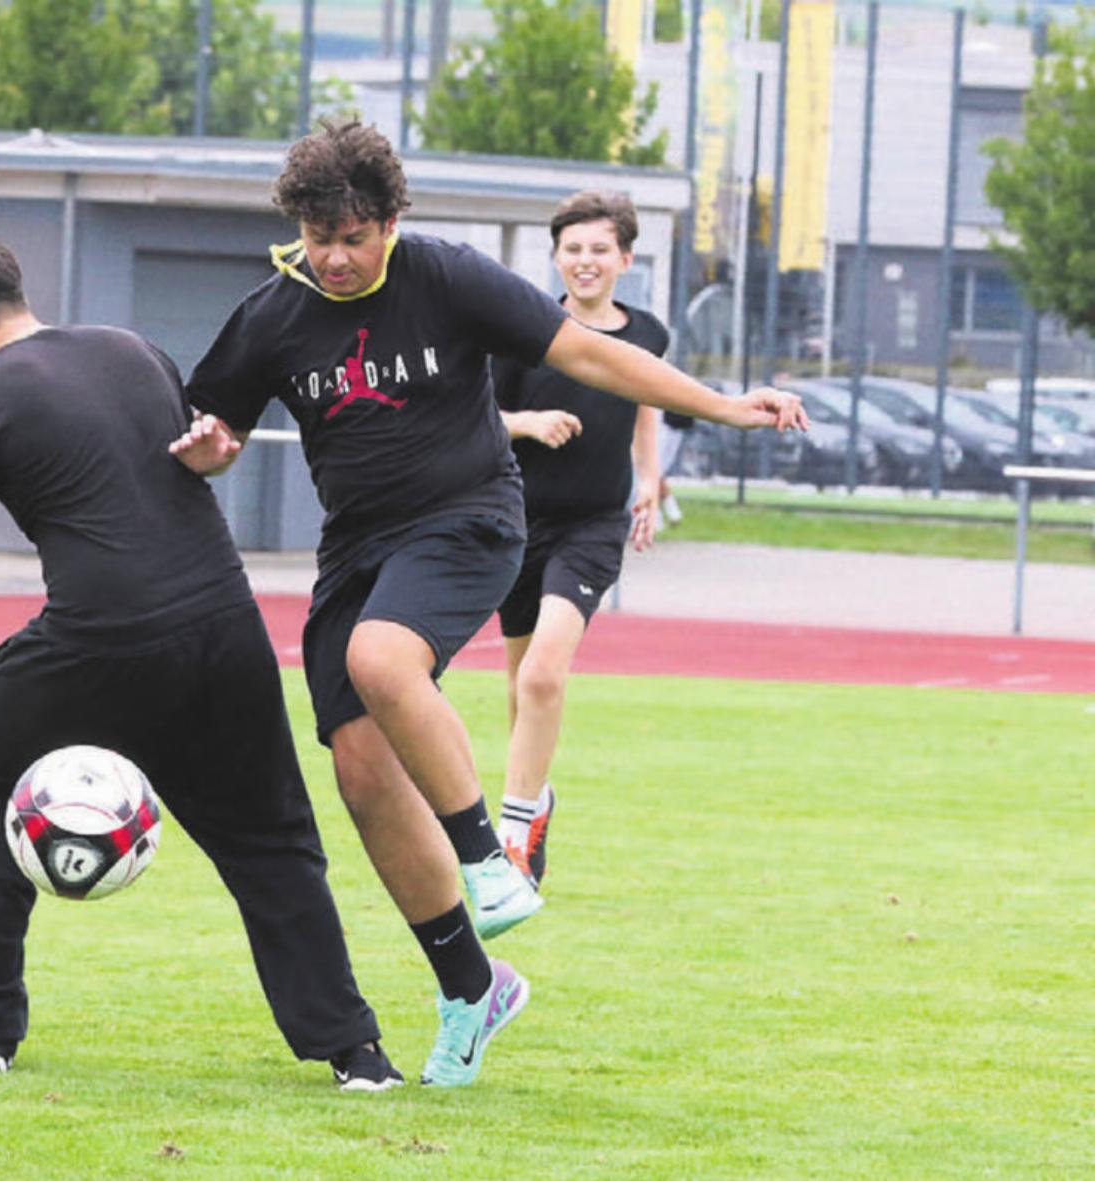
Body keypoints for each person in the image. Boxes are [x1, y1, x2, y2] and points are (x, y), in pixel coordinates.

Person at [171, 121, 805, 1086]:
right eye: (317, 236)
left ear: (391, 220)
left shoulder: (446, 277)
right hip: (356, 549)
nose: (336, 258)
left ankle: (490, 859)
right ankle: (474, 986)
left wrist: (718, 405)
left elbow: (589, 356)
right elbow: (211, 422)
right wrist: (210, 449)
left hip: (469, 516)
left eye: (355, 235)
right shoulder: (273, 313)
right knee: (364, 779)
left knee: (381, 660)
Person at [0, 239, 403, 1092]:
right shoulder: (134, 350)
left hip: (99, 639)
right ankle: (355, 1052)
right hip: (224, 625)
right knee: (271, 840)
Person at [491, 190, 667, 885]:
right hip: (516, 525)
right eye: (573, 249)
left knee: (541, 674)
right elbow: (480, 417)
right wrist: (529, 422)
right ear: (556, 257)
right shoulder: (525, 331)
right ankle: (534, 803)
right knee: (517, 686)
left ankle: (510, 835)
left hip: (593, 527)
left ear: (624, 257)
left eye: (599, 249)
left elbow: (650, 396)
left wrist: (649, 477)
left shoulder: (647, 334)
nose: (585, 261)